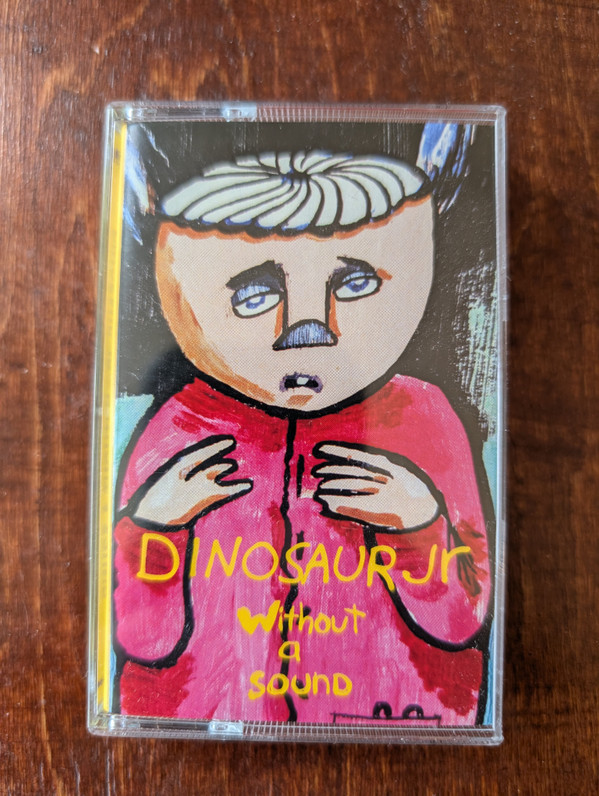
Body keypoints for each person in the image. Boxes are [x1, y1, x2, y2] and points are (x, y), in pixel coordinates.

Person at [113, 150, 491, 725]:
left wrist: (418, 522)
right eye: (255, 295)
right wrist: (155, 526)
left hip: (395, 726)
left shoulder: (421, 419)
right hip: (199, 728)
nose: (309, 329)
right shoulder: (180, 428)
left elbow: (464, 619)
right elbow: (139, 637)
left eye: (356, 282)